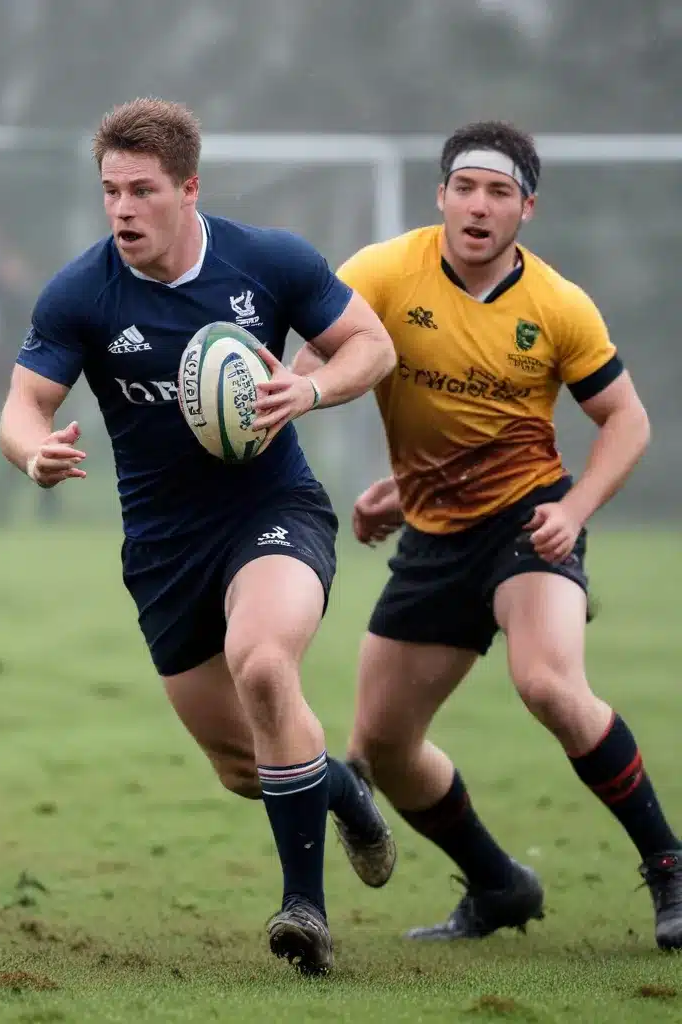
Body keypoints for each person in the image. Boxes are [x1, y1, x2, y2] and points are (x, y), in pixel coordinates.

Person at [0, 97, 398, 976]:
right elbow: (23, 407)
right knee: (244, 764)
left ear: (189, 189)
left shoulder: (269, 261)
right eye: (110, 192)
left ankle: (305, 912)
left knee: (264, 663)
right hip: (164, 548)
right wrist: (34, 454)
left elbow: (372, 346)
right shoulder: (82, 291)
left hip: (273, 510)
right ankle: (344, 791)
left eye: (142, 191)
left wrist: (314, 390)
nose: (122, 210)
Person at [292, 120, 682, 951]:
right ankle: (502, 886)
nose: (478, 205)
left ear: (526, 209)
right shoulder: (382, 273)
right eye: (464, 188)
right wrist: (401, 487)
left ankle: (671, 867)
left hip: (527, 523)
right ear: (441, 197)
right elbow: (317, 362)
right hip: (434, 537)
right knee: (383, 749)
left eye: (499, 192)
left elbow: (627, 421)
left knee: (548, 683)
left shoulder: (557, 305)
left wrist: (573, 513)